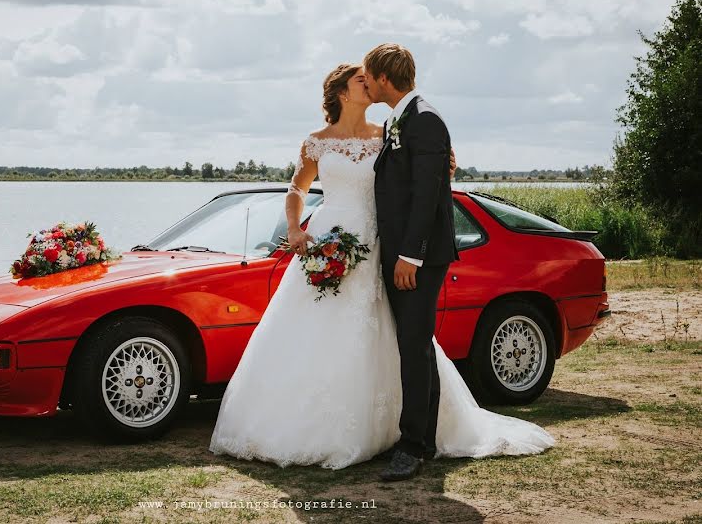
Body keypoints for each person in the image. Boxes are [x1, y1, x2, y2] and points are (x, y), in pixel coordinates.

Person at [208, 58, 555, 474]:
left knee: (396, 336)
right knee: (315, 332)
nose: (367, 84)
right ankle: (310, 425)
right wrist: (297, 228)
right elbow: (296, 189)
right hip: (326, 240)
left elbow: (418, 174)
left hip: (376, 246)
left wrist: (444, 164)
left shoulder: (388, 134)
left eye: (369, 77)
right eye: (360, 80)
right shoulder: (315, 142)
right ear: (341, 92)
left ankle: (406, 434)